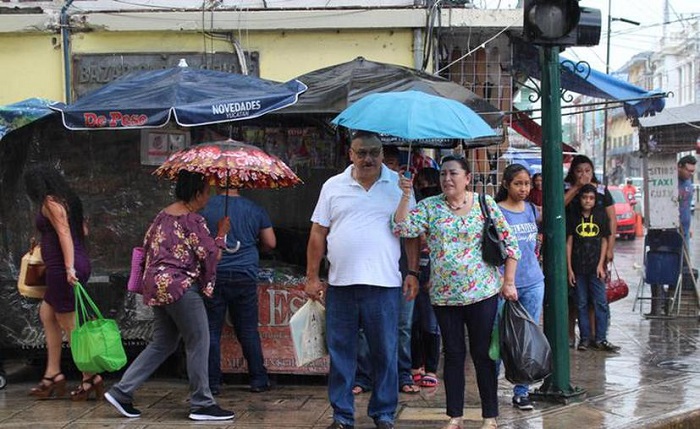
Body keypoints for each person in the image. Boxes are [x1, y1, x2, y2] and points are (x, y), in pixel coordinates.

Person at [393, 155, 520, 429]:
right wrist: (405, 195)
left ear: (467, 178)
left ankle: (490, 416)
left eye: (453, 174)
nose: (447, 179)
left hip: (482, 293)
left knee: (483, 354)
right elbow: (401, 227)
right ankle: (455, 416)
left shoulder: (485, 205)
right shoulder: (429, 207)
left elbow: (511, 246)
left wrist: (508, 281)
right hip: (444, 295)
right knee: (452, 354)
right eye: (443, 175)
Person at [305, 132, 418, 429]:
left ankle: (383, 413)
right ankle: (342, 416)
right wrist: (312, 276)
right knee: (341, 352)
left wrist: (413, 272)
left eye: (374, 152)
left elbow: (410, 233)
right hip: (341, 284)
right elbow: (318, 232)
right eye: (361, 152)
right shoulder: (333, 186)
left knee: (385, 351)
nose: (368, 158)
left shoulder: (399, 185)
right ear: (350, 155)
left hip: (384, 285)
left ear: (382, 154)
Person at [104, 170, 235, 421]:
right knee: (199, 340)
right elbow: (211, 255)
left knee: (163, 342)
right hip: (180, 287)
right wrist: (221, 234)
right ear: (196, 194)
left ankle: (122, 391)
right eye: (207, 192)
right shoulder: (193, 220)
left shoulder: (162, 216)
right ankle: (202, 403)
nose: (209, 197)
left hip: (155, 285)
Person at [23, 164, 98, 400]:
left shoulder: (50, 203)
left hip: (62, 269)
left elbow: (65, 233)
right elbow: (82, 231)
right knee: (47, 314)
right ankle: (53, 372)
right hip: (71, 263)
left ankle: (90, 378)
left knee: (70, 326)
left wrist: (68, 267)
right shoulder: (68, 199)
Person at [354, 145, 421, 396]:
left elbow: (413, 233)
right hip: (369, 272)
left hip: (400, 269)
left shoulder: (404, 191)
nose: (388, 167)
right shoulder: (362, 190)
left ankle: (403, 374)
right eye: (387, 162)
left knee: (402, 326)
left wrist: (412, 272)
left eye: (393, 162)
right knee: (364, 328)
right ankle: (364, 375)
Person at [201, 186, 275, 395]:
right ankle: (259, 379)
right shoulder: (255, 209)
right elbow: (271, 242)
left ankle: (212, 383)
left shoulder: (205, 208)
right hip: (245, 274)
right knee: (248, 329)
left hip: (215, 274)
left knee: (211, 330)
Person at [495, 164, 545, 411]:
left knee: (526, 340)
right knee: (496, 338)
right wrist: (504, 281)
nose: (524, 188)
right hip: (501, 284)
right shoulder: (495, 212)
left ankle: (521, 392)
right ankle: (489, 390)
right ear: (506, 184)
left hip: (533, 282)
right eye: (518, 183)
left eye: (526, 183)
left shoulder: (531, 210)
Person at [563, 155, 616, 346]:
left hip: (595, 255)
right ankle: (574, 334)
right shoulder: (568, 188)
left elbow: (611, 220)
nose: (583, 174)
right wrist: (577, 187)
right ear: (573, 172)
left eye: (587, 171)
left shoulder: (601, 191)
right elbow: (557, 207)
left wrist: (610, 248)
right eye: (579, 171)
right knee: (574, 298)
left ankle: (596, 336)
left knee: (597, 299)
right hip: (573, 254)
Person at [410, 167, 442, 389]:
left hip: (433, 273)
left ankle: (430, 368)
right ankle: (416, 365)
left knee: (430, 323)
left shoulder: (439, 212)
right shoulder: (413, 207)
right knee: (413, 323)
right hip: (413, 272)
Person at [677, 155, 696, 246]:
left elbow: (687, 207)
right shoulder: (673, 182)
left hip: (685, 231)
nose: (691, 174)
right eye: (689, 171)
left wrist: (689, 228)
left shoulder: (688, 183)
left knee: (686, 259)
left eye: (693, 171)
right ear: (679, 167)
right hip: (674, 230)